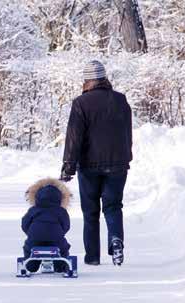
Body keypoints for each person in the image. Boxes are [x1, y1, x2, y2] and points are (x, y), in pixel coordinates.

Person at [60, 60, 132, 266]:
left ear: (88, 81)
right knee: (113, 206)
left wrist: (68, 166)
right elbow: (127, 131)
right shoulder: (120, 100)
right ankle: (116, 241)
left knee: (90, 212)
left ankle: (92, 257)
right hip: (118, 164)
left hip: (89, 166)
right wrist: (126, 155)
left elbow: (74, 137)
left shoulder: (81, 103)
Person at [21, 178, 72, 272]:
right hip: (56, 239)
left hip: (35, 238)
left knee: (28, 248)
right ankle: (61, 266)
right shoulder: (61, 211)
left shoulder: (33, 210)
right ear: (60, 198)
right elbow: (66, 225)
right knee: (63, 248)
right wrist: (60, 232)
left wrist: (31, 233)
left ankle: (31, 265)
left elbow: (25, 224)